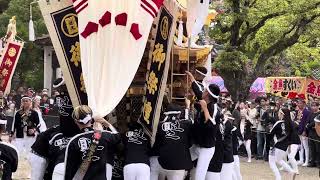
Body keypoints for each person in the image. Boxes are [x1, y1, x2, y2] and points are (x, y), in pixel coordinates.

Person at [30, 77, 81, 180]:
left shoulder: (76, 96)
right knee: (41, 140)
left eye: (63, 88)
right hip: (66, 128)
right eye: (60, 88)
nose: (60, 90)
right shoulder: (61, 98)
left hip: (77, 128)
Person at [64, 105, 121, 180]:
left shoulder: (74, 141)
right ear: (91, 119)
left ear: (75, 121)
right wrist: (106, 123)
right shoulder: (103, 135)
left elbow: (69, 169)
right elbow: (117, 136)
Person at [157, 100, 193, 180]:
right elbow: (189, 121)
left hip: (163, 163)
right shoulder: (185, 124)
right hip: (179, 164)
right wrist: (187, 107)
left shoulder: (159, 126)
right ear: (179, 114)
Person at [268, 108, 297, 180]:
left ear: (282, 114)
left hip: (276, 144)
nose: (278, 114)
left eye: (279, 112)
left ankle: (278, 177)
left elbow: (270, 134)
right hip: (284, 145)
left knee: (272, 162)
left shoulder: (278, 123)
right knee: (279, 160)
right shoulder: (290, 124)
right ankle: (291, 171)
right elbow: (291, 136)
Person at [296, 99, 310, 166]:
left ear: (304, 104)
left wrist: (305, 130)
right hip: (298, 130)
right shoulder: (298, 111)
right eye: (298, 103)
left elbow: (306, 122)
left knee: (306, 146)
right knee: (300, 146)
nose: (299, 104)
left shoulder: (307, 112)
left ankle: (307, 160)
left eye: (300, 103)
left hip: (304, 131)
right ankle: (301, 160)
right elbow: (297, 120)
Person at [306, 102, 320, 167]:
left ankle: (318, 162)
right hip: (311, 132)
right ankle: (312, 162)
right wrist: (308, 126)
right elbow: (307, 121)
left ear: (318, 106)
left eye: (315, 106)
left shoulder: (319, 114)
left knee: (318, 148)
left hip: (317, 132)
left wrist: (309, 125)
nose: (313, 107)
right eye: (312, 106)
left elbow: (315, 122)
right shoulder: (310, 113)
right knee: (311, 148)